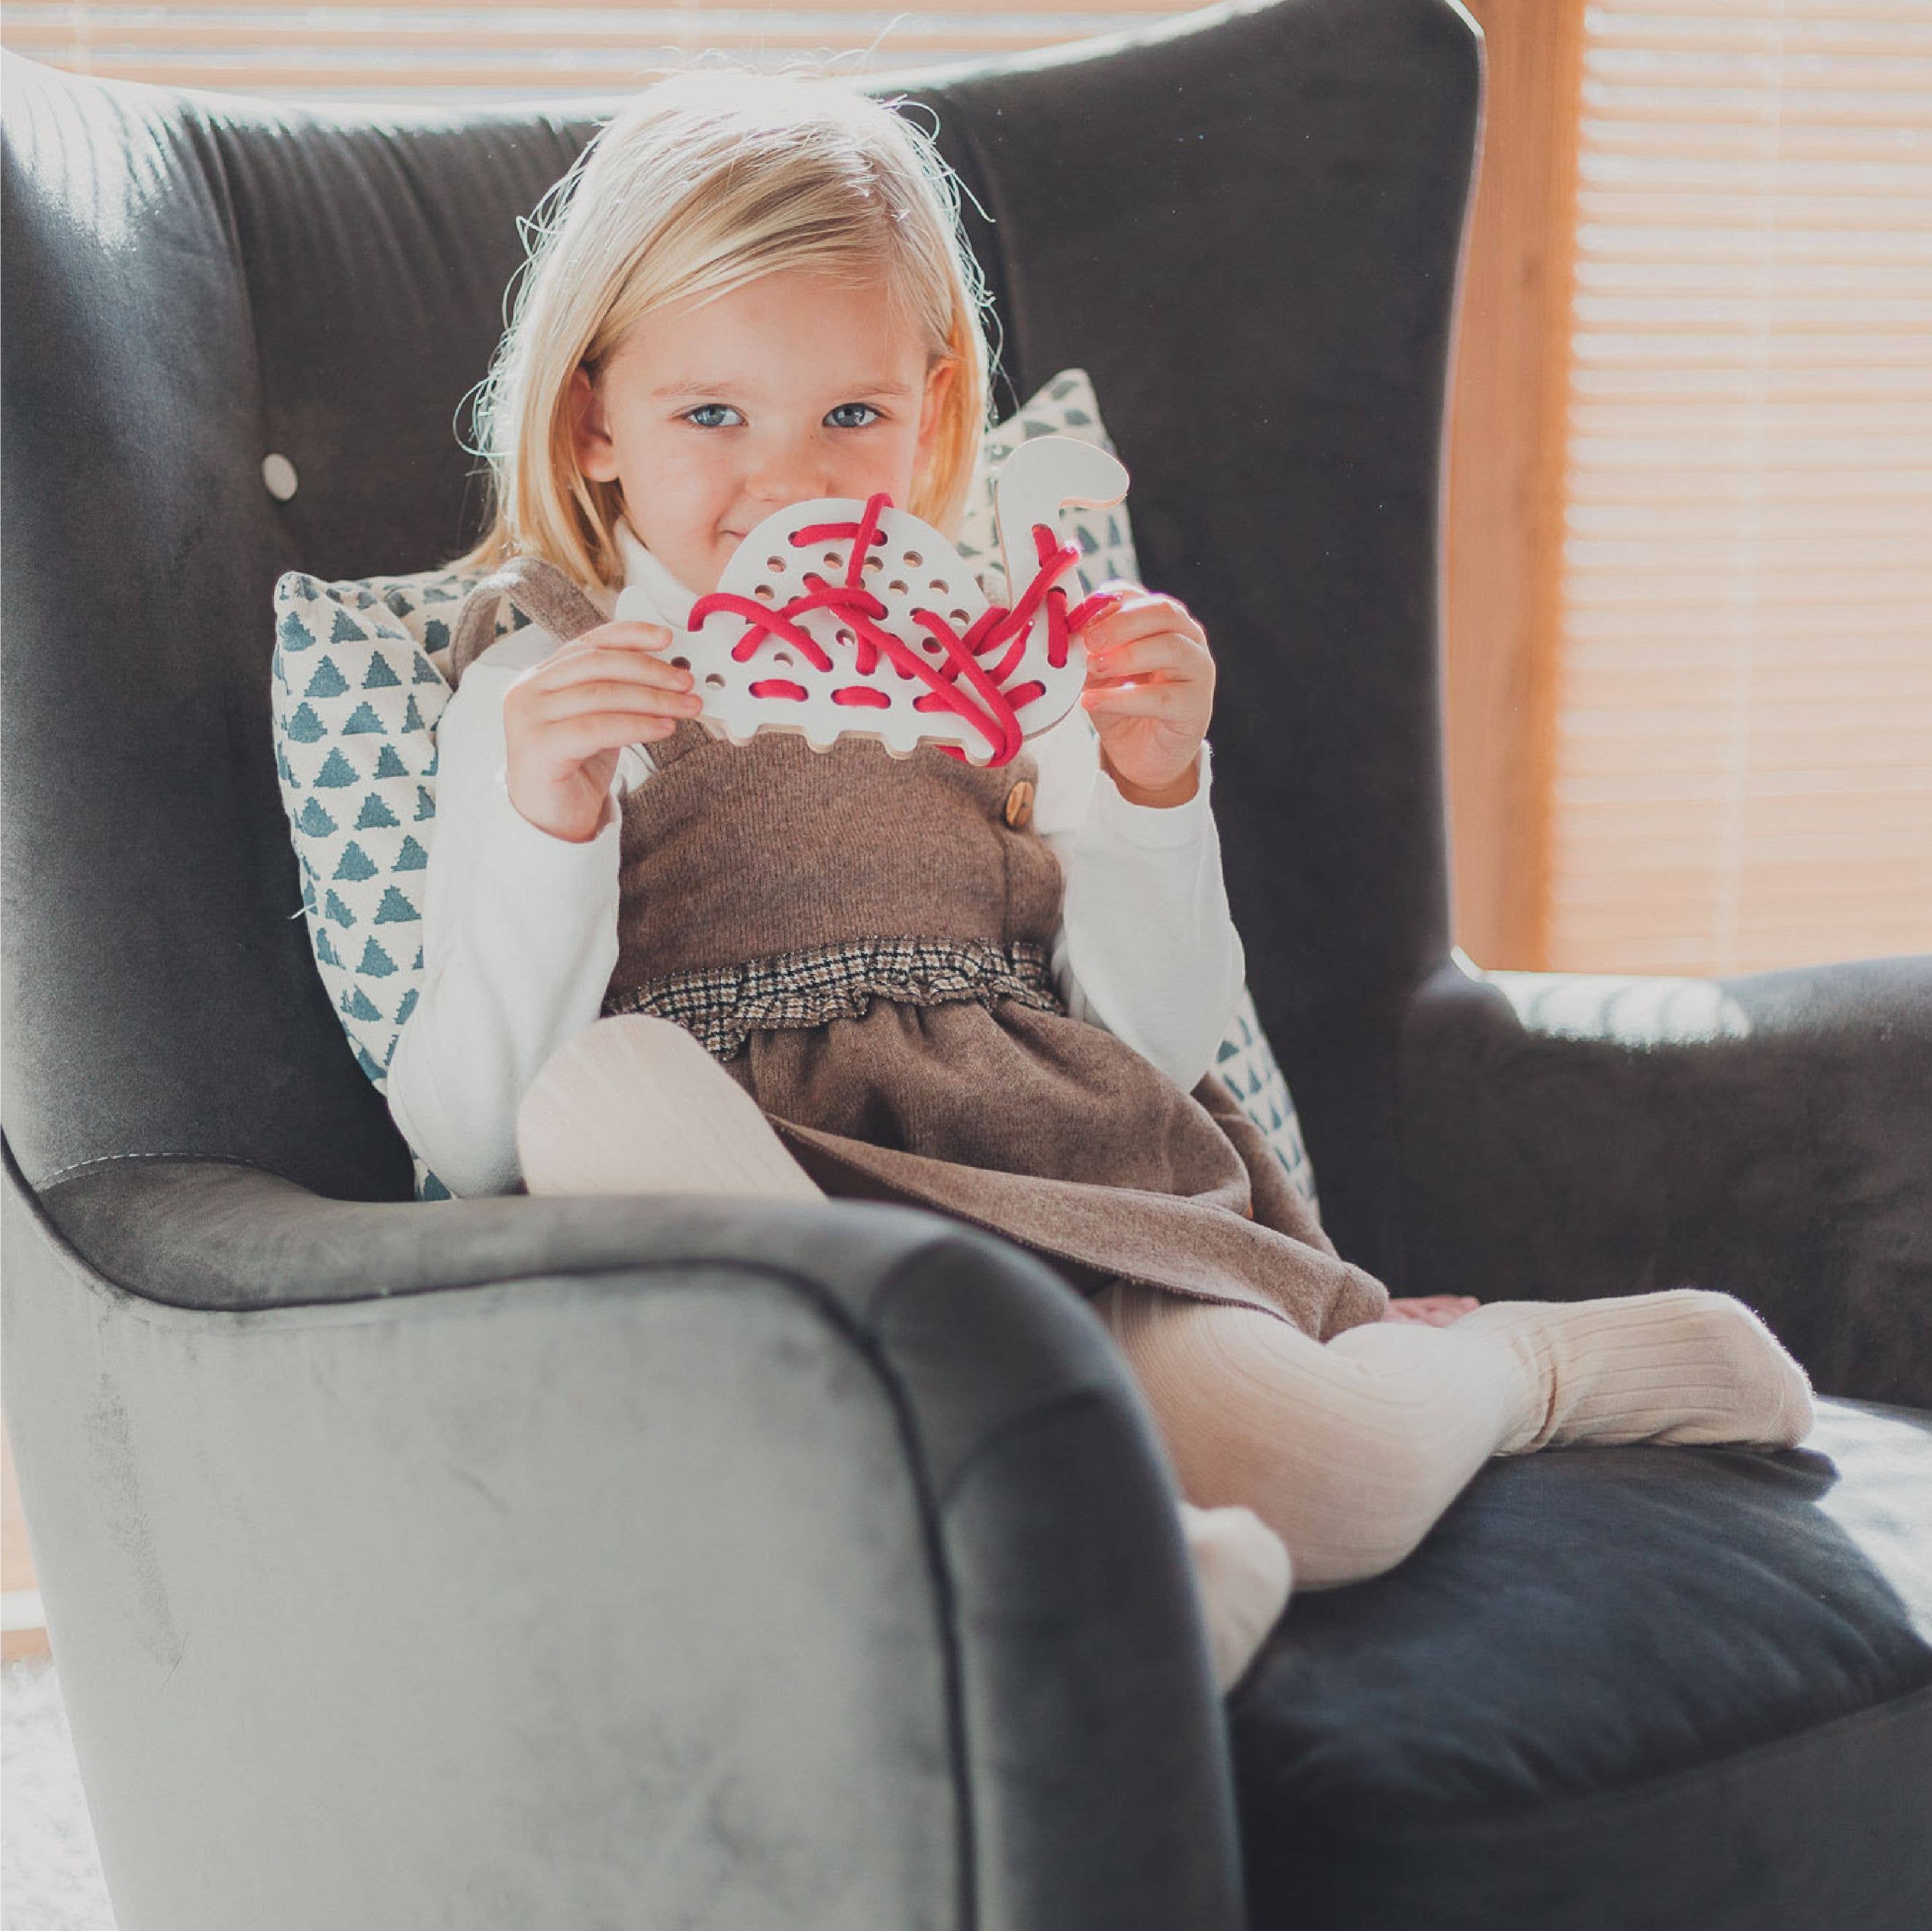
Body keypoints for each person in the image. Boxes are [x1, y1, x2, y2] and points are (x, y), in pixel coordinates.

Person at [386, 68, 1815, 1693]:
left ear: (931, 415)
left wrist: (1146, 785)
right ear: (595, 419)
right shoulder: (547, 685)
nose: (785, 482)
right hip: (793, 1232)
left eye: (849, 417)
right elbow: (475, 1139)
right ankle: (1114, 1552)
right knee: (597, 1096)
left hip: (1066, 1179)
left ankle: (1522, 1365)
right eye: (711, 415)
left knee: (1329, 1483)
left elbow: (1153, 1041)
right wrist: (550, 821)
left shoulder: (1007, 659)